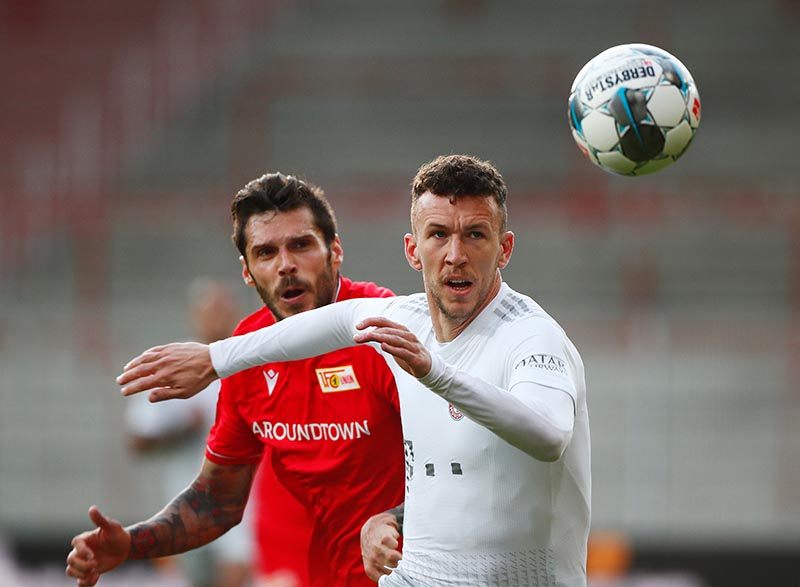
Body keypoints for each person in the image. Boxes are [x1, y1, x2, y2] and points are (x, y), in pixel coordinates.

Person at [106, 154, 591, 587]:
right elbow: (324, 326)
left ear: (504, 249)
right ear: (412, 249)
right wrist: (214, 360)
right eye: (439, 234)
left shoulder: (531, 337)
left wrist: (433, 376)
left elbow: (547, 435)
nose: (455, 254)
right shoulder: (402, 322)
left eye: (475, 235)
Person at [66, 173, 406, 587]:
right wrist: (130, 543)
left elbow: (459, 468)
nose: (285, 264)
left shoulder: (385, 327)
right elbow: (217, 502)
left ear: (335, 251)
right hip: (322, 574)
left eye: (300, 245)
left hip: (419, 573)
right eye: (266, 252)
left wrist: (391, 520)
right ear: (248, 272)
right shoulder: (246, 353)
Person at [124, 278, 255, 587]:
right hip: (186, 498)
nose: (218, 317)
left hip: (242, 501)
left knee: (235, 575)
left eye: (224, 309)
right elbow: (138, 439)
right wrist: (182, 428)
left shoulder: (251, 363)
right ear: (195, 315)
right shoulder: (175, 366)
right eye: (211, 310)